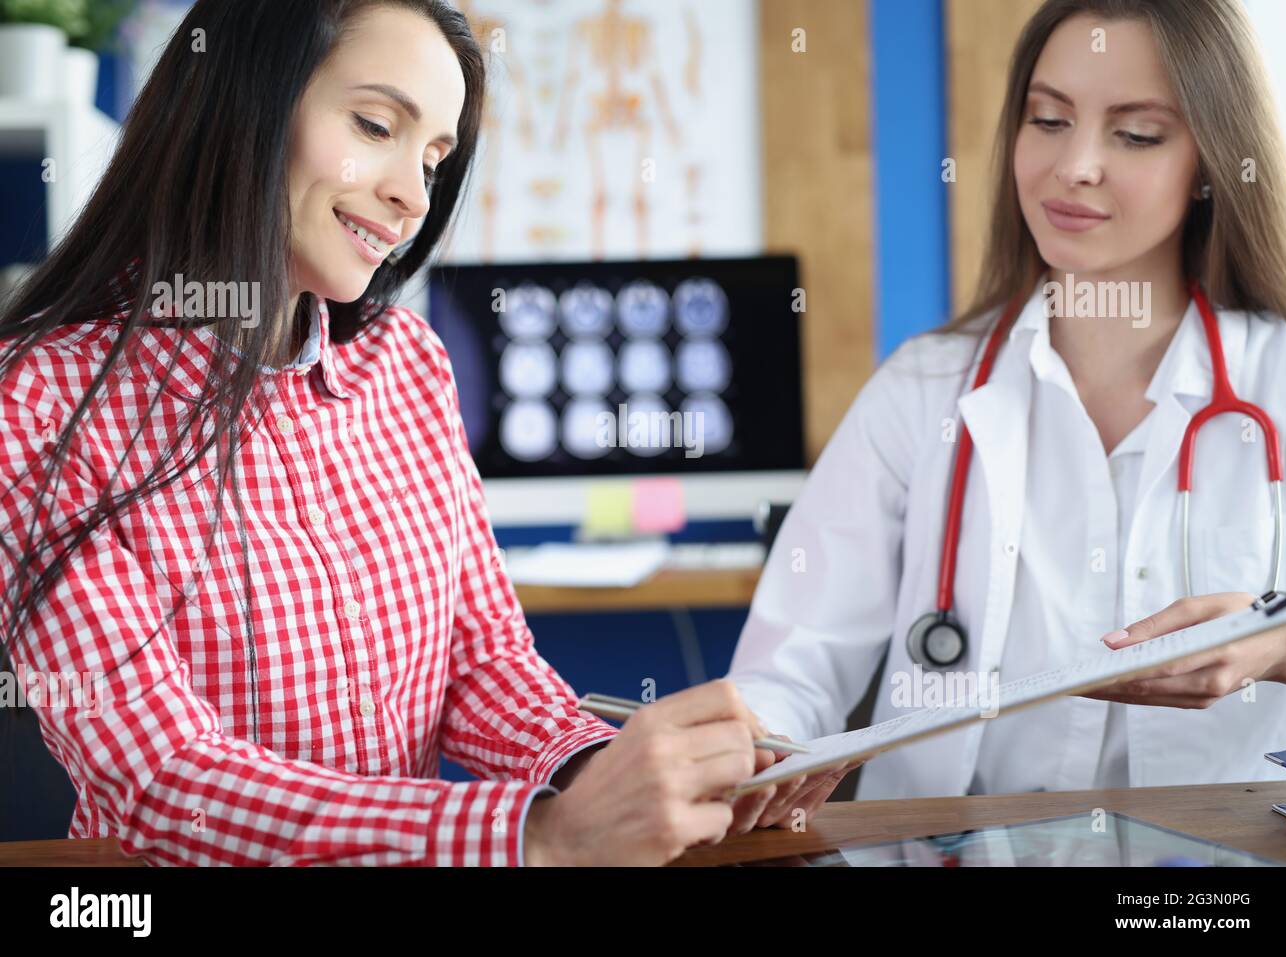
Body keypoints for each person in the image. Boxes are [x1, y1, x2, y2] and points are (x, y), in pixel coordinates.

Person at [0, 0, 833, 866]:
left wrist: (610, 774)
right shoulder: (39, 399)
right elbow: (166, 781)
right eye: (375, 124)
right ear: (242, 100)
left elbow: (482, 666)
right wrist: (539, 836)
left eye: (436, 158)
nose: (412, 194)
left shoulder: (406, 364)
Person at [728, 0, 1286, 801]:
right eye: (1048, 119)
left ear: (1212, 160)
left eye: (1136, 133)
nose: (1076, 166)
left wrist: (1284, 647)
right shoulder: (921, 389)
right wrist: (757, 744)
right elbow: (792, 668)